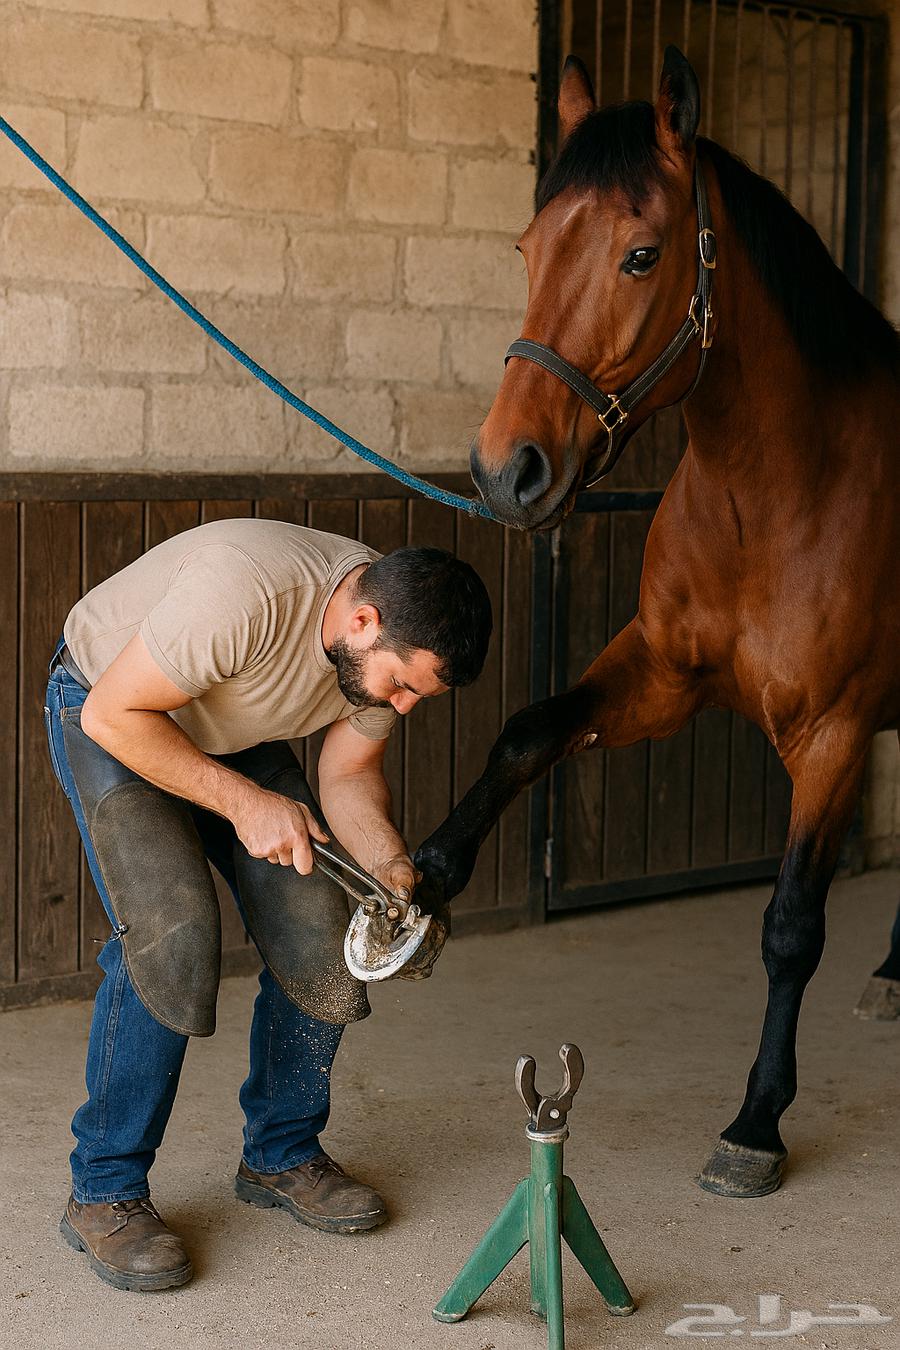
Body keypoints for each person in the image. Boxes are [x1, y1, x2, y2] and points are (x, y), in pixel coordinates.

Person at [44, 516, 491, 1292]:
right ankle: (105, 1190)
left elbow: (348, 775)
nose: (405, 705)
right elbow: (114, 715)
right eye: (403, 684)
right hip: (112, 707)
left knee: (323, 931)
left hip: (231, 723)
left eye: (419, 693)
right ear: (361, 621)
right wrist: (246, 804)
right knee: (172, 934)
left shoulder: (383, 641)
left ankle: (281, 1154)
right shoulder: (245, 592)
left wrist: (386, 862)